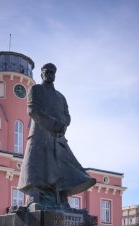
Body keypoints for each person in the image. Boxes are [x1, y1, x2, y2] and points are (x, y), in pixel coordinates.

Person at [18, 62, 96, 210]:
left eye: (52, 72)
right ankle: (34, 196)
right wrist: (53, 123)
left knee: (62, 167)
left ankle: (61, 198)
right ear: (41, 74)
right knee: (36, 167)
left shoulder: (61, 97)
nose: (49, 75)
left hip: (58, 136)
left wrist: (63, 125)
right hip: (40, 134)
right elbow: (33, 110)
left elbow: (67, 116)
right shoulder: (35, 89)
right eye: (47, 72)